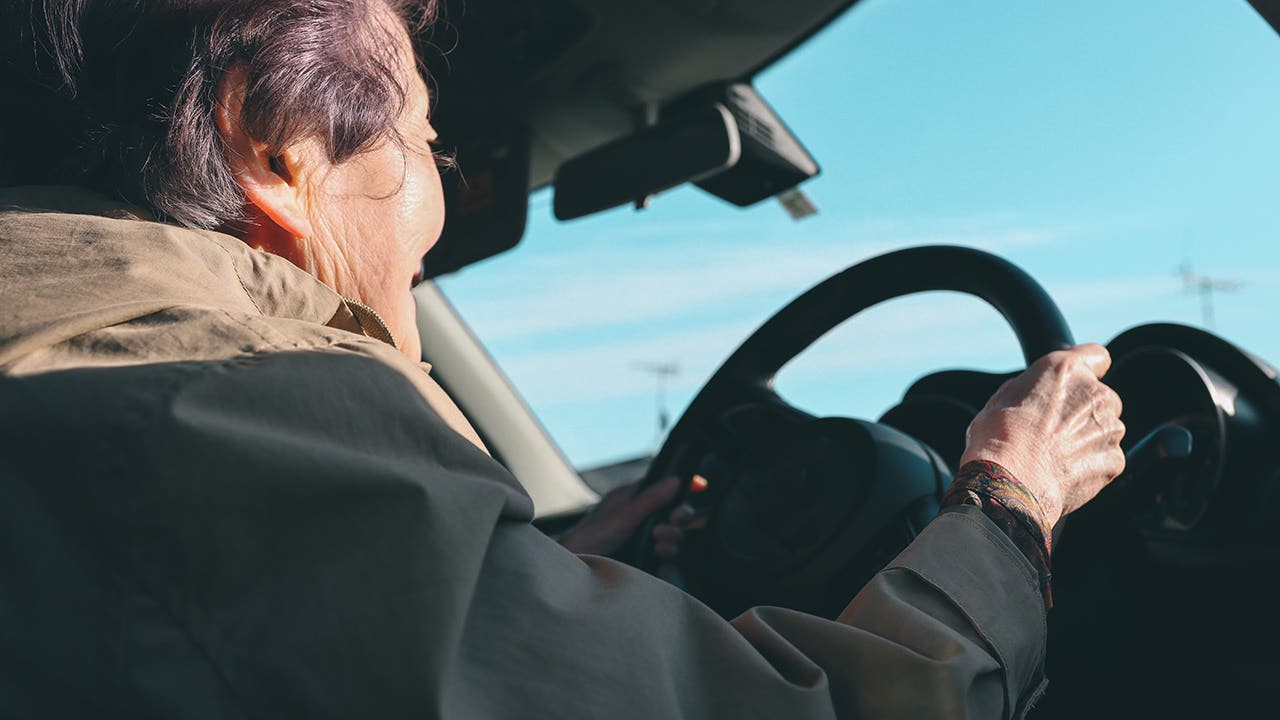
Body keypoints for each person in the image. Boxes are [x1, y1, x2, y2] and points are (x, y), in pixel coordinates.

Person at [0, 1, 1125, 717]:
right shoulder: (221, 417)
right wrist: (1008, 504)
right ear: (275, 148)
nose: (433, 192)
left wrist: (534, 565)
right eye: (426, 143)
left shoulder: (91, 381)